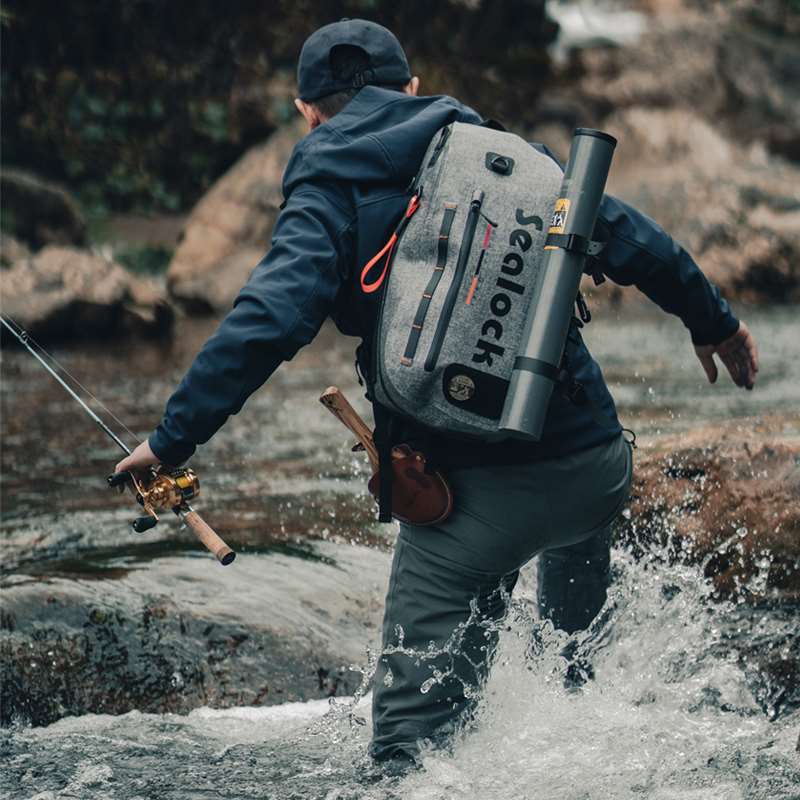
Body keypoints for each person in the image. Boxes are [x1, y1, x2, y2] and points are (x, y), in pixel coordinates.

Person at [115, 19, 759, 765]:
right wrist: (715, 324)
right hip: (592, 469)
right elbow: (636, 240)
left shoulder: (327, 176)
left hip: (466, 497)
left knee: (406, 756)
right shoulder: (501, 153)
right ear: (413, 88)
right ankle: (587, 700)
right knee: (580, 664)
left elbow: (271, 318)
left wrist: (172, 439)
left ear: (306, 111)